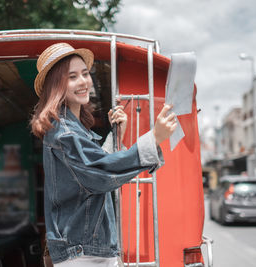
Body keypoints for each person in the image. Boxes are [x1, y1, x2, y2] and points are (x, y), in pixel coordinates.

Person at [30, 42, 177, 267]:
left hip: (88, 249)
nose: (83, 82)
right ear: (56, 86)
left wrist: (118, 134)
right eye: (72, 77)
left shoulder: (75, 128)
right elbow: (100, 173)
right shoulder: (64, 132)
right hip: (82, 253)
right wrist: (153, 137)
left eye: (85, 73)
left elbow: (93, 168)